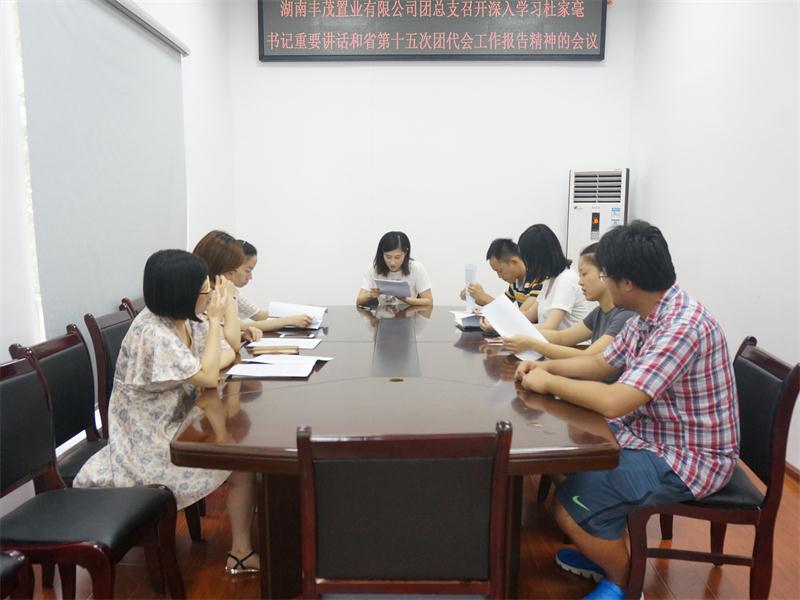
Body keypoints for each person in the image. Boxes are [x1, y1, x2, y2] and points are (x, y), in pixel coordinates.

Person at [515, 221, 739, 600]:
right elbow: (601, 363)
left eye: (604, 275)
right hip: (651, 433)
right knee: (565, 458)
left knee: (568, 507)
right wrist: (546, 368)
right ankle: (601, 545)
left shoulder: (681, 327)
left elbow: (615, 399)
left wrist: (548, 383)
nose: (601, 282)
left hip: (689, 457)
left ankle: (624, 581)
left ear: (628, 283)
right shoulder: (647, 313)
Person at [74, 250, 260, 575]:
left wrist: (212, 344)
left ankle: (243, 550)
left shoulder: (183, 320)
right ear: (182, 293)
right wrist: (215, 326)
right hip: (146, 442)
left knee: (241, 454)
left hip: (177, 422)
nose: (210, 296)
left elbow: (227, 352)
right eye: (205, 290)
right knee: (241, 465)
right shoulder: (152, 333)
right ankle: (241, 554)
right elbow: (209, 374)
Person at [502, 243, 635, 364]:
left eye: (584, 274)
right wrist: (521, 333)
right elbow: (562, 337)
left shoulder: (625, 315)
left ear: (605, 274)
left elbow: (588, 357)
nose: (580, 282)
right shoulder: (598, 312)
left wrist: (532, 343)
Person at [515, 224, 595, 330]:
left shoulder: (566, 280)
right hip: (550, 339)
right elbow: (530, 315)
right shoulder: (549, 280)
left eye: (528, 260)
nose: (527, 266)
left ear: (539, 258)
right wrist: (504, 321)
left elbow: (550, 326)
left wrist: (516, 328)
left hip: (571, 341)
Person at [225, 240, 312, 331]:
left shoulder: (232, 291)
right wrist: (287, 321)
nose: (250, 277)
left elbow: (259, 315)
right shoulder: (218, 293)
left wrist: (300, 312)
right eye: (248, 271)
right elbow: (240, 327)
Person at [192, 230, 263, 342]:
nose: (233, 275)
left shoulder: (215, 290)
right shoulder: (204, 297)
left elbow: (226, 337)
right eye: (231, 271)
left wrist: (242, 335)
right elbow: (232, 343)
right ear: (217, 266)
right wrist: (230, 298)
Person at [459, 238, 543, 316]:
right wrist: (473, 296)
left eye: (500, 271)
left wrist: (484, 297)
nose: (499, 276)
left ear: (513, 262)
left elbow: (520, 316)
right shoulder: (515, 284)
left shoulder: (539, 281)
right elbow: (503, 306)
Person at [356, 231, 433, 307]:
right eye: (388, 257)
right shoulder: (374, 268)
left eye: (397, 257)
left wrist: (405, 299)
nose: (392, 263)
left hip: (409, 313)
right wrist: (370, 295)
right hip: (383, 314)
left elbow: (429, 301)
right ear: (382, 253)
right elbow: (359, 301)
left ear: (405, 253)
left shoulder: (416, 267)